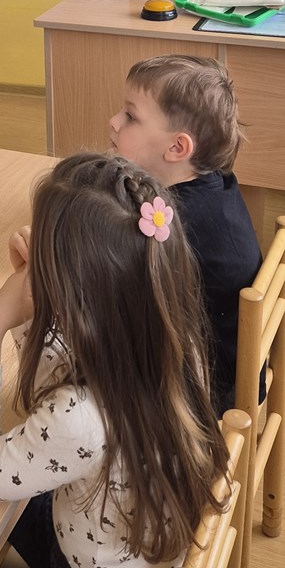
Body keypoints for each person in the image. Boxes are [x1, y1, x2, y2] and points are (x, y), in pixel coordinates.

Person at [0, 152, 229, 568]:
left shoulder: (78, 419)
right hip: (133, 535)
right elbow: (57, 384)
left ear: (73, 297)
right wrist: (32, 311)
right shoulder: (173, 338)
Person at [109, 53, 264, 415]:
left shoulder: (175, 225)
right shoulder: (214, 183)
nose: (113, 121)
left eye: (130, 116)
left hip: (206, 396)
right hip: (231, 366)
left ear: (177, 148)